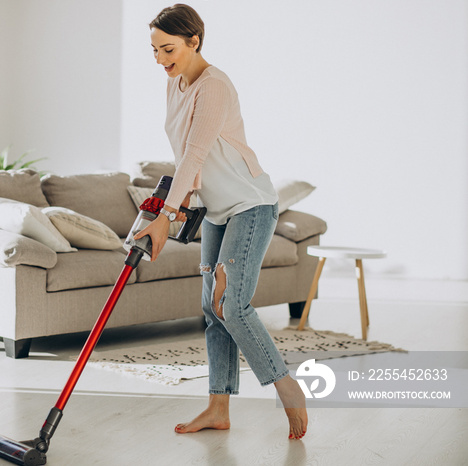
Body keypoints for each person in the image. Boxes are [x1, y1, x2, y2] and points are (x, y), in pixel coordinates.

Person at [134, 4, 308, 440]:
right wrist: (169, 208)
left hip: (249, 205)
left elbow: (196, 152)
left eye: (168, 49)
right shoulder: (175, 83)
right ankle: (217, 407)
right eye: (154, 50)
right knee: (212, 310)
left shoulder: (214, 87)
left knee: (231, 304)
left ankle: (286, 386)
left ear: (195, 41)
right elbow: (185, 158)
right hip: (214, 211)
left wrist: (165, 219)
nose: (160, 59)